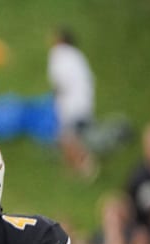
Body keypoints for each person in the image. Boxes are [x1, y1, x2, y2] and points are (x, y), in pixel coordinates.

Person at [47, 26, 97, 178]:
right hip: (84, 101)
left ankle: (85, 169)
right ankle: (76, 169)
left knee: (69, 138)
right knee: (71, 137)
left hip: (70, 103)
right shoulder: (77, 55)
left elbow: (59, 80)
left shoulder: (59, 54)